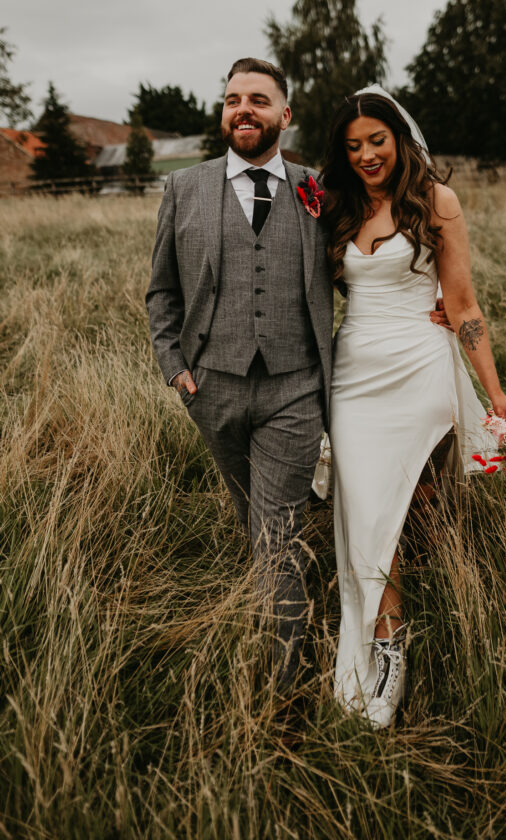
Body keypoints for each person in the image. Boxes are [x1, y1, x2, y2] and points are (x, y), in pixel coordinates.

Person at [321, 87, 506, 728]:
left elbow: (462, 304)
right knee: (366, 508)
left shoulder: (437, 201)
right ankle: (386, 637)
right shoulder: (337, 206)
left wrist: (495, 394)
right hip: (354, 375)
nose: (366, 155)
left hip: (419, 364)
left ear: (400, 137)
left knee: (408, 504)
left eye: (376, 140)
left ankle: (406, 642)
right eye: (353, 146)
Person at [146, 57, 334, 692]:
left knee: (277, 533)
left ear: (286, 114)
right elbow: (161, 293)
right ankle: (273, 605)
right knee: (251, 519)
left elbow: (369, 261)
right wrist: (175, 368)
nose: (243, 109)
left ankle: (282, 687)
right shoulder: (184, 189)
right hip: (213, 388)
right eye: (232, 100)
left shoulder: (321, 189)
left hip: (296, 388)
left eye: (258, 99)